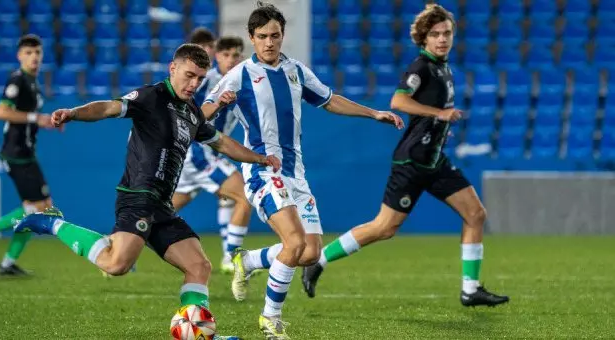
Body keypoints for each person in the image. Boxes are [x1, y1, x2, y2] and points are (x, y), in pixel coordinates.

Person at [13, 44, 280, 339]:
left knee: (199, 266)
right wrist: (73, 113)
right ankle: (49, 222)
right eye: (189, 75)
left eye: (200, 79)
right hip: (138, 196)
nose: (194, 84)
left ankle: (204, 334)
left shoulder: (191, 112)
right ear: (173, 68)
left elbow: (223, 143)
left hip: (162, 206)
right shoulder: (151, 97)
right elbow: (107, 107)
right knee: (116, 264)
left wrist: (260, 158)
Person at [201, 2, 404, 338]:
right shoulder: (238, 75)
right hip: (263, 169)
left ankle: (248, 261)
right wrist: (217, 104)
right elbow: (203, 112)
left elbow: (329, 99)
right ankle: (270, 319)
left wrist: (373, 113)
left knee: (309, 252)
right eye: (263, 36)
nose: (270, 42)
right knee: (293, 242)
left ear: (282, 36)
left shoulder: (295, 70)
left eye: (275, 35)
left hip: (295, 172)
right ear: (252, 38)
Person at [301, 4, 510, 308]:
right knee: (384, 228)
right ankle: (319, 260)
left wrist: (439, 126)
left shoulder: (444, 68)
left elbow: (427, 115)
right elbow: (398, 100)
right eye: (435, 34)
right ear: (424, 39)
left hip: (434, 158)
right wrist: (440, 113)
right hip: (411, 161)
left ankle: (470, 289)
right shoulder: (421, 67)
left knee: (475, 214)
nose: (442, 39)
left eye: (447, 33)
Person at [0, 34, 58, 276]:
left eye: (37, 53)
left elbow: (29, 118)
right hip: (16, 154)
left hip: (26, 154)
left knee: (40, 208)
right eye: (29, 53)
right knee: (38, 209)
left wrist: (47, 121)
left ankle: (7, 262)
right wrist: (35, 118)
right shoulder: (18, 80)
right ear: (20, 56)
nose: (34, 58)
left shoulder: (33, 82)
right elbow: (1, 112)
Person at [176, 36, 250, 273]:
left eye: (236, 55)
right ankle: (231, 257)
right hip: (198, 152)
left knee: (162, 212)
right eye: (226, 54)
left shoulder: (238, 79)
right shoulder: (208, 80)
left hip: (200, 153)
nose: (231, 59)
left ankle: (122, 240)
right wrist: (217, 103)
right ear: (216, 56)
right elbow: (190, 116)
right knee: (243, 197)